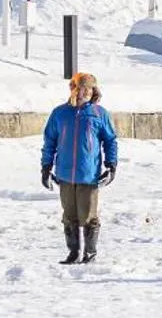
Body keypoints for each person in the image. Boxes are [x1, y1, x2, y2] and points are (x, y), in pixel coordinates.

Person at [41, 71, 119, 265]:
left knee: (89, 216)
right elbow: (50, 140)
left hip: (89, 174)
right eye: (80, 88)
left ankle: (90, 252)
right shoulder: (59, 113)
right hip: (65, 174)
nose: (84, 92)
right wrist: (46, 166)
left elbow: (110, 141)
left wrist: (111, 165)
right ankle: (73, 252)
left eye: (88, 88)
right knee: (69, 215)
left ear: (94, 91)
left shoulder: (99, 114)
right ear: (73, 89)